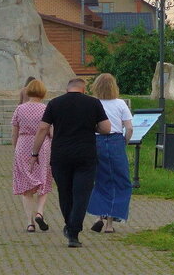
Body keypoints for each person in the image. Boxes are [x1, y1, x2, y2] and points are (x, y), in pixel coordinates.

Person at [31, 78, 110, 248]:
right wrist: (92, 127)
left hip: (61, 156)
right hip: (86, 156)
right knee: (81, 195)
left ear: (67, 89)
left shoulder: (55, 103)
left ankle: (69, 224)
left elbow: (43, 128)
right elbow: (106, 128)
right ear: (83, 89)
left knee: (65, 193)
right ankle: (74, 232)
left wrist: (34, 153)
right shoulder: (93, 103)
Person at [86, 73, 133, 233]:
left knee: (100, 179)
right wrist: (124, 142)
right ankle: (110, 223)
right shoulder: (120, 104)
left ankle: (99, 216)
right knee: (121, 181)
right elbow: (129, 127)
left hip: (96, 141)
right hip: (115, 141)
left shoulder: (93, 103)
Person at [11, 78, 53, 233]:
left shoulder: (19, 109)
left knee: (25, 186)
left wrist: (16, 149)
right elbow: (51, 132)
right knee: (44, 180)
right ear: (42, 92)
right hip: (42, 146)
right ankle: (40, 212)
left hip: (23, 145)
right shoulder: (46, 109)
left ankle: (30, 223)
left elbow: (14, 133)